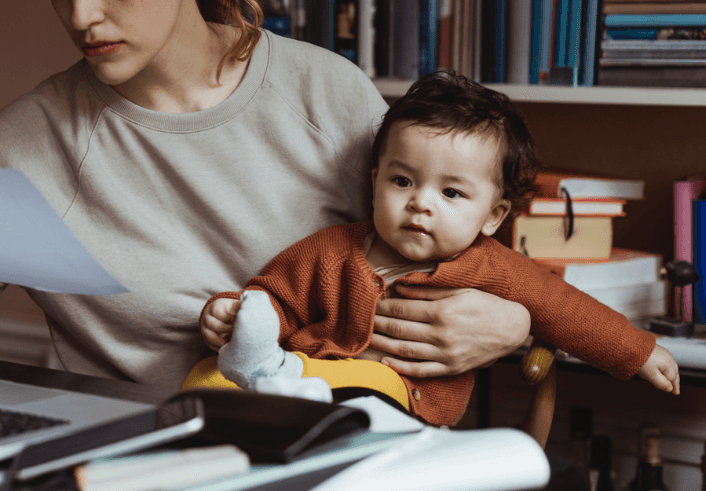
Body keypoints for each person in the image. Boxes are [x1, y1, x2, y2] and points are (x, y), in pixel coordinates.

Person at [0, 0, 534, 397]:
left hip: (342, 449)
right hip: (141, 474)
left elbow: (457, 244)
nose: (82, 17)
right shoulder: (39, 135)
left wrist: (516, 319)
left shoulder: (325, 92)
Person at [191, 70, 681, 425]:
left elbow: (566, 310)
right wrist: (235, 316)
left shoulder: (493, 267)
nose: (420, 203)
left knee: (370, 387)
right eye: (403, 180)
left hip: (402, 399)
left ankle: (288, 399)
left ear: (493, 216)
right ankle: (261, 392)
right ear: (375, 180)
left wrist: (638, 352)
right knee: (202, 380)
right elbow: (276, 297)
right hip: (303, 373)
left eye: (451, 193)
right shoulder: (332, 249)